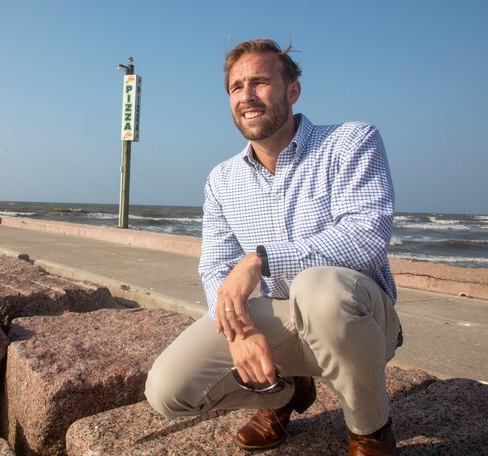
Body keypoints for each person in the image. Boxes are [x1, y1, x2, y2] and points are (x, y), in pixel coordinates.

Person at [145, 38, 401, 455]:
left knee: (317, 287)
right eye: (236, 87)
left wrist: (259, 261)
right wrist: (238, 331)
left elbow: (366, 236)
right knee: (168, 390)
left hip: (356, 316)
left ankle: (370, 430)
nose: (246, 96)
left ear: (292, 91)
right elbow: (215, 269)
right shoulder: (222, 179)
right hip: (280, 317)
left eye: (260, 82)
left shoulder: (351, 141)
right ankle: (284, 394)